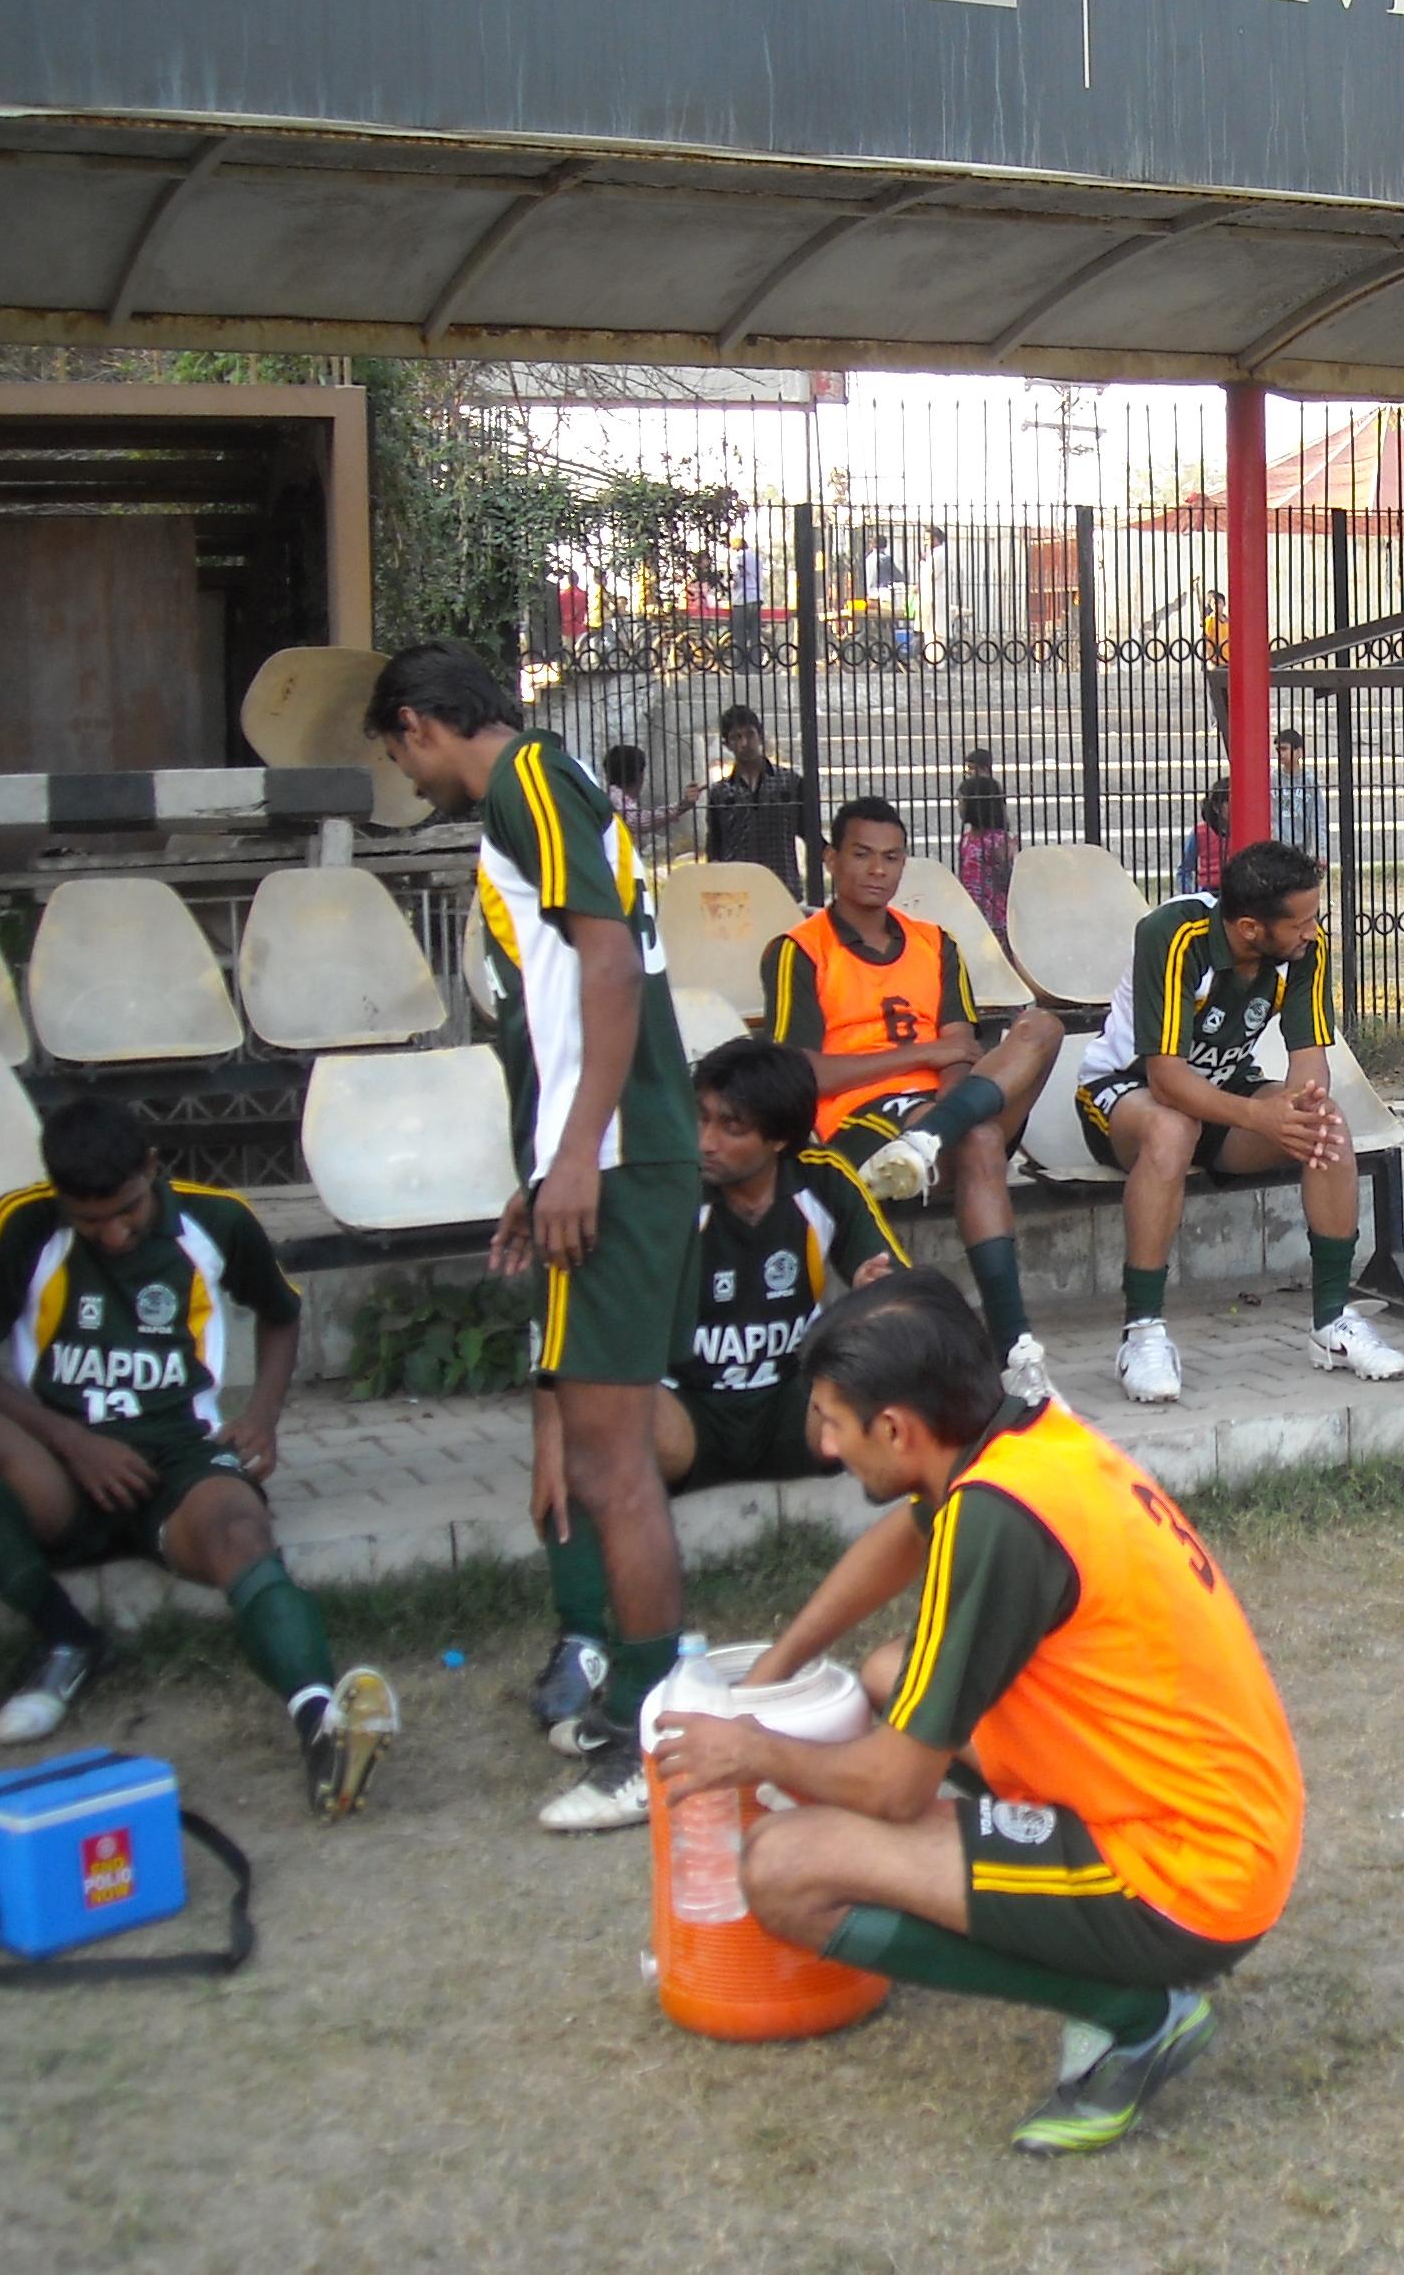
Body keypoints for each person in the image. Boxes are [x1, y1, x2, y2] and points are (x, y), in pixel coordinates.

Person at [653, 1271, 1302, 2158]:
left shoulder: (996, 1518)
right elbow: (903, 1539)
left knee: (783, 1870)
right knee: (889, 1674)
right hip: (1228, 1819)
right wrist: (771, 1672)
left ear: (896, 1430)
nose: (826, 1446)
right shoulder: (1025, 1439)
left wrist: (753, 1748)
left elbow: (891, 1788)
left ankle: (1136, 2012)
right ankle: (1075, 1920)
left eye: (834, 1422)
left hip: (1191, 1878)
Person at [369, 640, 707, 1833]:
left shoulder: (525, 781)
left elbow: (608, 964)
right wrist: (549, 1162)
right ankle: (638, 1699)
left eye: (400, 756)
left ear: (418, 725)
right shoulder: (542, 789)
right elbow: (575, 988)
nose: (409, 779)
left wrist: (574, 1156)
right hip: (610, 1153)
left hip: (615, 1160)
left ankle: (647, 1738)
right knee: (595, 1449)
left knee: (608, 1464)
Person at [0, 1098, 396, 1816]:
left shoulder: (216, 1218)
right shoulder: (19, 1223)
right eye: (89, 1220)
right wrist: (72, 1441)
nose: (113, 1232)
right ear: (58, 1196)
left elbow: (282, 1314)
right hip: (61, 1463)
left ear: (152, 1169)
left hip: (181, 1457)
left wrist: (261, 1418)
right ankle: (67, 1638)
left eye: (127, 1210)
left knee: (239, 1531)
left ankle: (321, 1724)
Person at [527, 1040, 903, 1771]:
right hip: (687, 1416)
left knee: (893, 1372)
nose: (705, 1141)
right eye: (699, 1119)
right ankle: (581, 1643)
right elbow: (567, 1321)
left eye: (731, 1127)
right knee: (588, 1430)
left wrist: (874, 1291)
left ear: (780, 1139)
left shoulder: (822, 1180)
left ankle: (955, 1565)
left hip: (794, 1411)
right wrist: (549, 1432)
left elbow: (898, 1287)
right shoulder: (665, 1193)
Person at [1073, 840, 1404, 1403]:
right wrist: (1259, 1115)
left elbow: (1310, 1058)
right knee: (1172, 1129)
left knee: (1325, 1126)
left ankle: (1332, 1323)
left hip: (1224, 1090)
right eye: (1300, 922)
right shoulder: (1173, 934)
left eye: (1314, 917)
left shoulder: (1303, 947)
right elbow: (1166, 1080)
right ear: (1251, 928)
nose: (1312, 931)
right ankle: (1143, 1333)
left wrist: (1300, 1107)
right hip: (1126, 1092)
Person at [764, 797, 1065, 1400]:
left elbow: (961, 1051)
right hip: (860, 1124)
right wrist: (921, 1057)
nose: (878, 870)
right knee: (980, 1140)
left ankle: (931, 1138)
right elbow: (802, 1073)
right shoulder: (800, 949)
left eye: (892, 857)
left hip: (939, 1119)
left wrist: (938, 1112)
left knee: (1043, 1027)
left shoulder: (935, 943)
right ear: (831, 860)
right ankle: (1014, 1346)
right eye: (862, 855)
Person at [704, 703, 813, 896]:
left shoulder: (790, 782)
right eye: (736, 737)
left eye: (750, 734)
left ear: (760, 735)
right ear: (727, 744)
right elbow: (714, 847)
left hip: (782, 885)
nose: (744, 743)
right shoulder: (720, 792)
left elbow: (809, 831)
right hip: (737, 890)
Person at [600, 743, 701, 862]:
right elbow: (638, 821)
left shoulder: (615, 795)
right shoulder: (616, 797)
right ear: (640, 775)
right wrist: (680, 807)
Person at [954, 748, 1017, 937]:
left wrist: (1007, 857)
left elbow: (1008, 876)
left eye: (962, 802)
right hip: (971, 910)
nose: (959, 807)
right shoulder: (968, 837)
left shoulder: (996, 840)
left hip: (993, 916)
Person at [1269, 727, 1329, 866]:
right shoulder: (1272, 778)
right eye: (1278, 750)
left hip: (1301, 848)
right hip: (1277, 846)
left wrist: (1322, 851)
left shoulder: (1309, 781)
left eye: (1284, 749)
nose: (1280, 754)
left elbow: (1318, 818)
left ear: (1299, 752)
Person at [1177, 778, 1231, 899]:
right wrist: (1189, 896)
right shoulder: (1200, 832)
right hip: (1208, 893)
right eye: (1229, 802)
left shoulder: (1246, 830)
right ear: (1216, 807)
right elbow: (1185, 868)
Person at [917, 524, 961, 663]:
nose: (925, 542)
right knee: (931, 632)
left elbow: (930, 574)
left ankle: (936, 662)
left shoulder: (939, 554)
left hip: (935, 599)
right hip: (931, 598)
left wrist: (923, 562)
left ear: (935, 539)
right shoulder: (935, 554)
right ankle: (933, 661)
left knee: (936, 633)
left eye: (927, 539)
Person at [729, 534, 766, 671]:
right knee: (755, 634)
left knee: (739, 635)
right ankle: (756, 666)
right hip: (756, 598)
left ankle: (740, 667)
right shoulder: (757, 558)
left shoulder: (737, 558)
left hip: (741, 599)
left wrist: (729, 585)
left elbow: (735, 578)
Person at [1200, 588, 1230, 736]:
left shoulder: (1228, 621)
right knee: (1214, 695)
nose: (1217, 605)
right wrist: (1209, 660)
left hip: (1227, 661)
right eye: (1213, 603)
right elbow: (1207, 642)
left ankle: (1228, 723)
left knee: (1227, 694)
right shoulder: (1209, 621)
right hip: (1214, 662)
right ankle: (1215, 724)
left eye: (1219, 602)